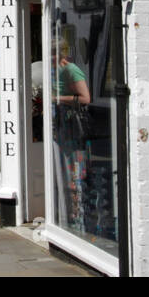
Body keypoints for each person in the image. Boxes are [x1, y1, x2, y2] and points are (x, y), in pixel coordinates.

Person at [52, 37, 92, 232]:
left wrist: (57, 98)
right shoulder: (54, 69)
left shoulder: (69, 69)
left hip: (71, 127)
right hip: (60, 126)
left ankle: (79, 221)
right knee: (64, 172)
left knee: (75, 172)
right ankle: (67, 217)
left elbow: (85, 98)